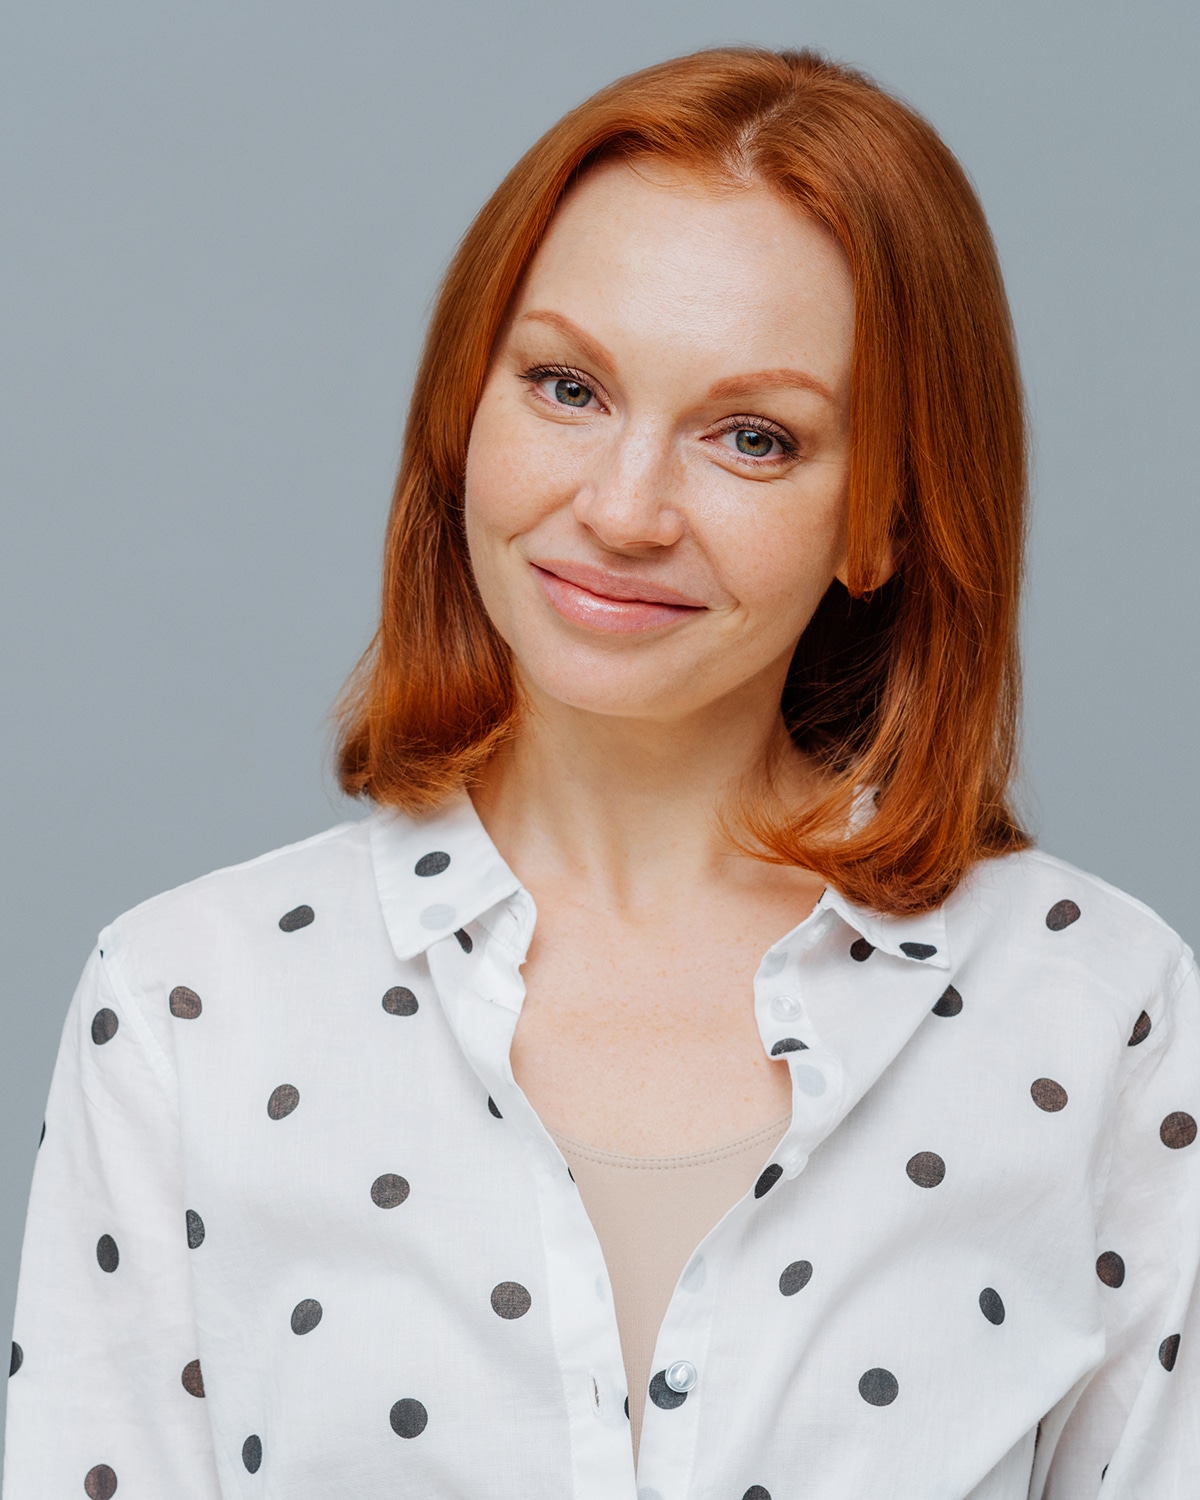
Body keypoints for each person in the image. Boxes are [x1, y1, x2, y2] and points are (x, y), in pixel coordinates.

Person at [4, 45, 1198, 1500]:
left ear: (881, 517)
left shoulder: (1102, 1014)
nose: (624, 509)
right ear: (466, 413)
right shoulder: (192, 1005)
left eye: (753, 438)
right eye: (567, 387)